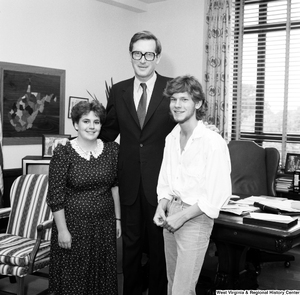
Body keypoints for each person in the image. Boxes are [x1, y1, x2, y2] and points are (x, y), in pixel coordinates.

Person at [99, 30, 219, 295]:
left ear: (157, 57)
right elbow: (108, 133)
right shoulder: (118, 91)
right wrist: (76, 141)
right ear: (131, 55)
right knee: (130, 249)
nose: (143, 59)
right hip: (129, 181)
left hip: (164, 186)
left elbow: (185, 122)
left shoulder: (172, 90)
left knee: (160, 251)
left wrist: (206, 128)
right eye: (137, 53)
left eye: (149, 54)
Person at [153, 75, 232, 295]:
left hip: (195, 217)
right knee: (172, 284)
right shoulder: (172, 137)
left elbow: (219, 193)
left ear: (197, 103)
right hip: (171, 213)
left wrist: (182, 216)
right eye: (173, 99)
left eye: (184, 99)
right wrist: (162, 205)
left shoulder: (212, 142)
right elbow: (166, 180)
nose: (177, 105)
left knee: (182, 290)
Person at [47, 100, 121, 295]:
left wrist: (118, 219)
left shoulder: (112, 150)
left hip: (103, 227)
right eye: (86, 121)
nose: (91, 126)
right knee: (74, 279)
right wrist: (62, 230)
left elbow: (115, 187)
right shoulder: (63, 152)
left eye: (96, 122)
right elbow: (55, 196)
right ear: (76, 124)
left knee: (102, 277)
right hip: (73, 227)